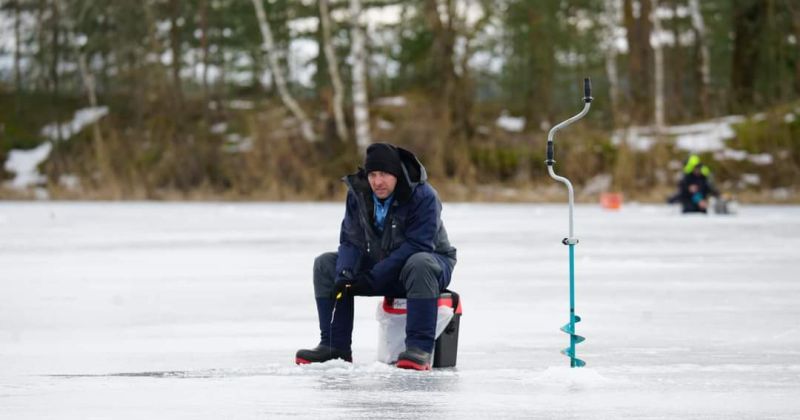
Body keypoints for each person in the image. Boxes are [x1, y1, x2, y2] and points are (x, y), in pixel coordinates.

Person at [295, 143, 457, 370]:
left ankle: (418, 348)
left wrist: (372, 278)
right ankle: (334, 346)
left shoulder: (424, 196)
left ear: (397, 175)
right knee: (326, 264)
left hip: (429, 264)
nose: (377, 182)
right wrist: (345, 273)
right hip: (382, 263)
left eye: (384, 175)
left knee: (420, 262)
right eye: (372, 174)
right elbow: (351, 240)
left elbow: (418, 245)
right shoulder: (359, 194)